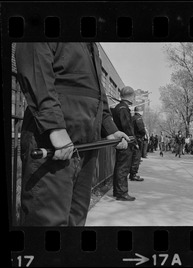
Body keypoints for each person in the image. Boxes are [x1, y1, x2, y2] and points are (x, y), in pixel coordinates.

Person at [16, 43, 129, 226]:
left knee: (75, 218)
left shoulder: (90, 44)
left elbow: (97, 91)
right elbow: (35, 66)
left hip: (86, 141)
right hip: (53, 138)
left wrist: (109, 128)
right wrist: (55, 127)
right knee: (48, 221)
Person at [112, 86, 139, 201]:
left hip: (122, 140)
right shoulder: (123, 108)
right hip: (125, 141)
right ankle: (121, 192)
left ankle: (117, 191)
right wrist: (133, 142)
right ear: (131, 96)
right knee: (123, 167)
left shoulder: (119, 107)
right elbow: (127, 127)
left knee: (120, 166)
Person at [129, 106, 146, 181]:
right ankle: (133, 174)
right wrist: (143, 134)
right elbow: (141, 129)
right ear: (140, 111)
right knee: (136, 157)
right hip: (137, 139)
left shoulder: (132, 118)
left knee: (133, 157)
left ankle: (132, 173)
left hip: (132, 139)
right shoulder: (138, 118)